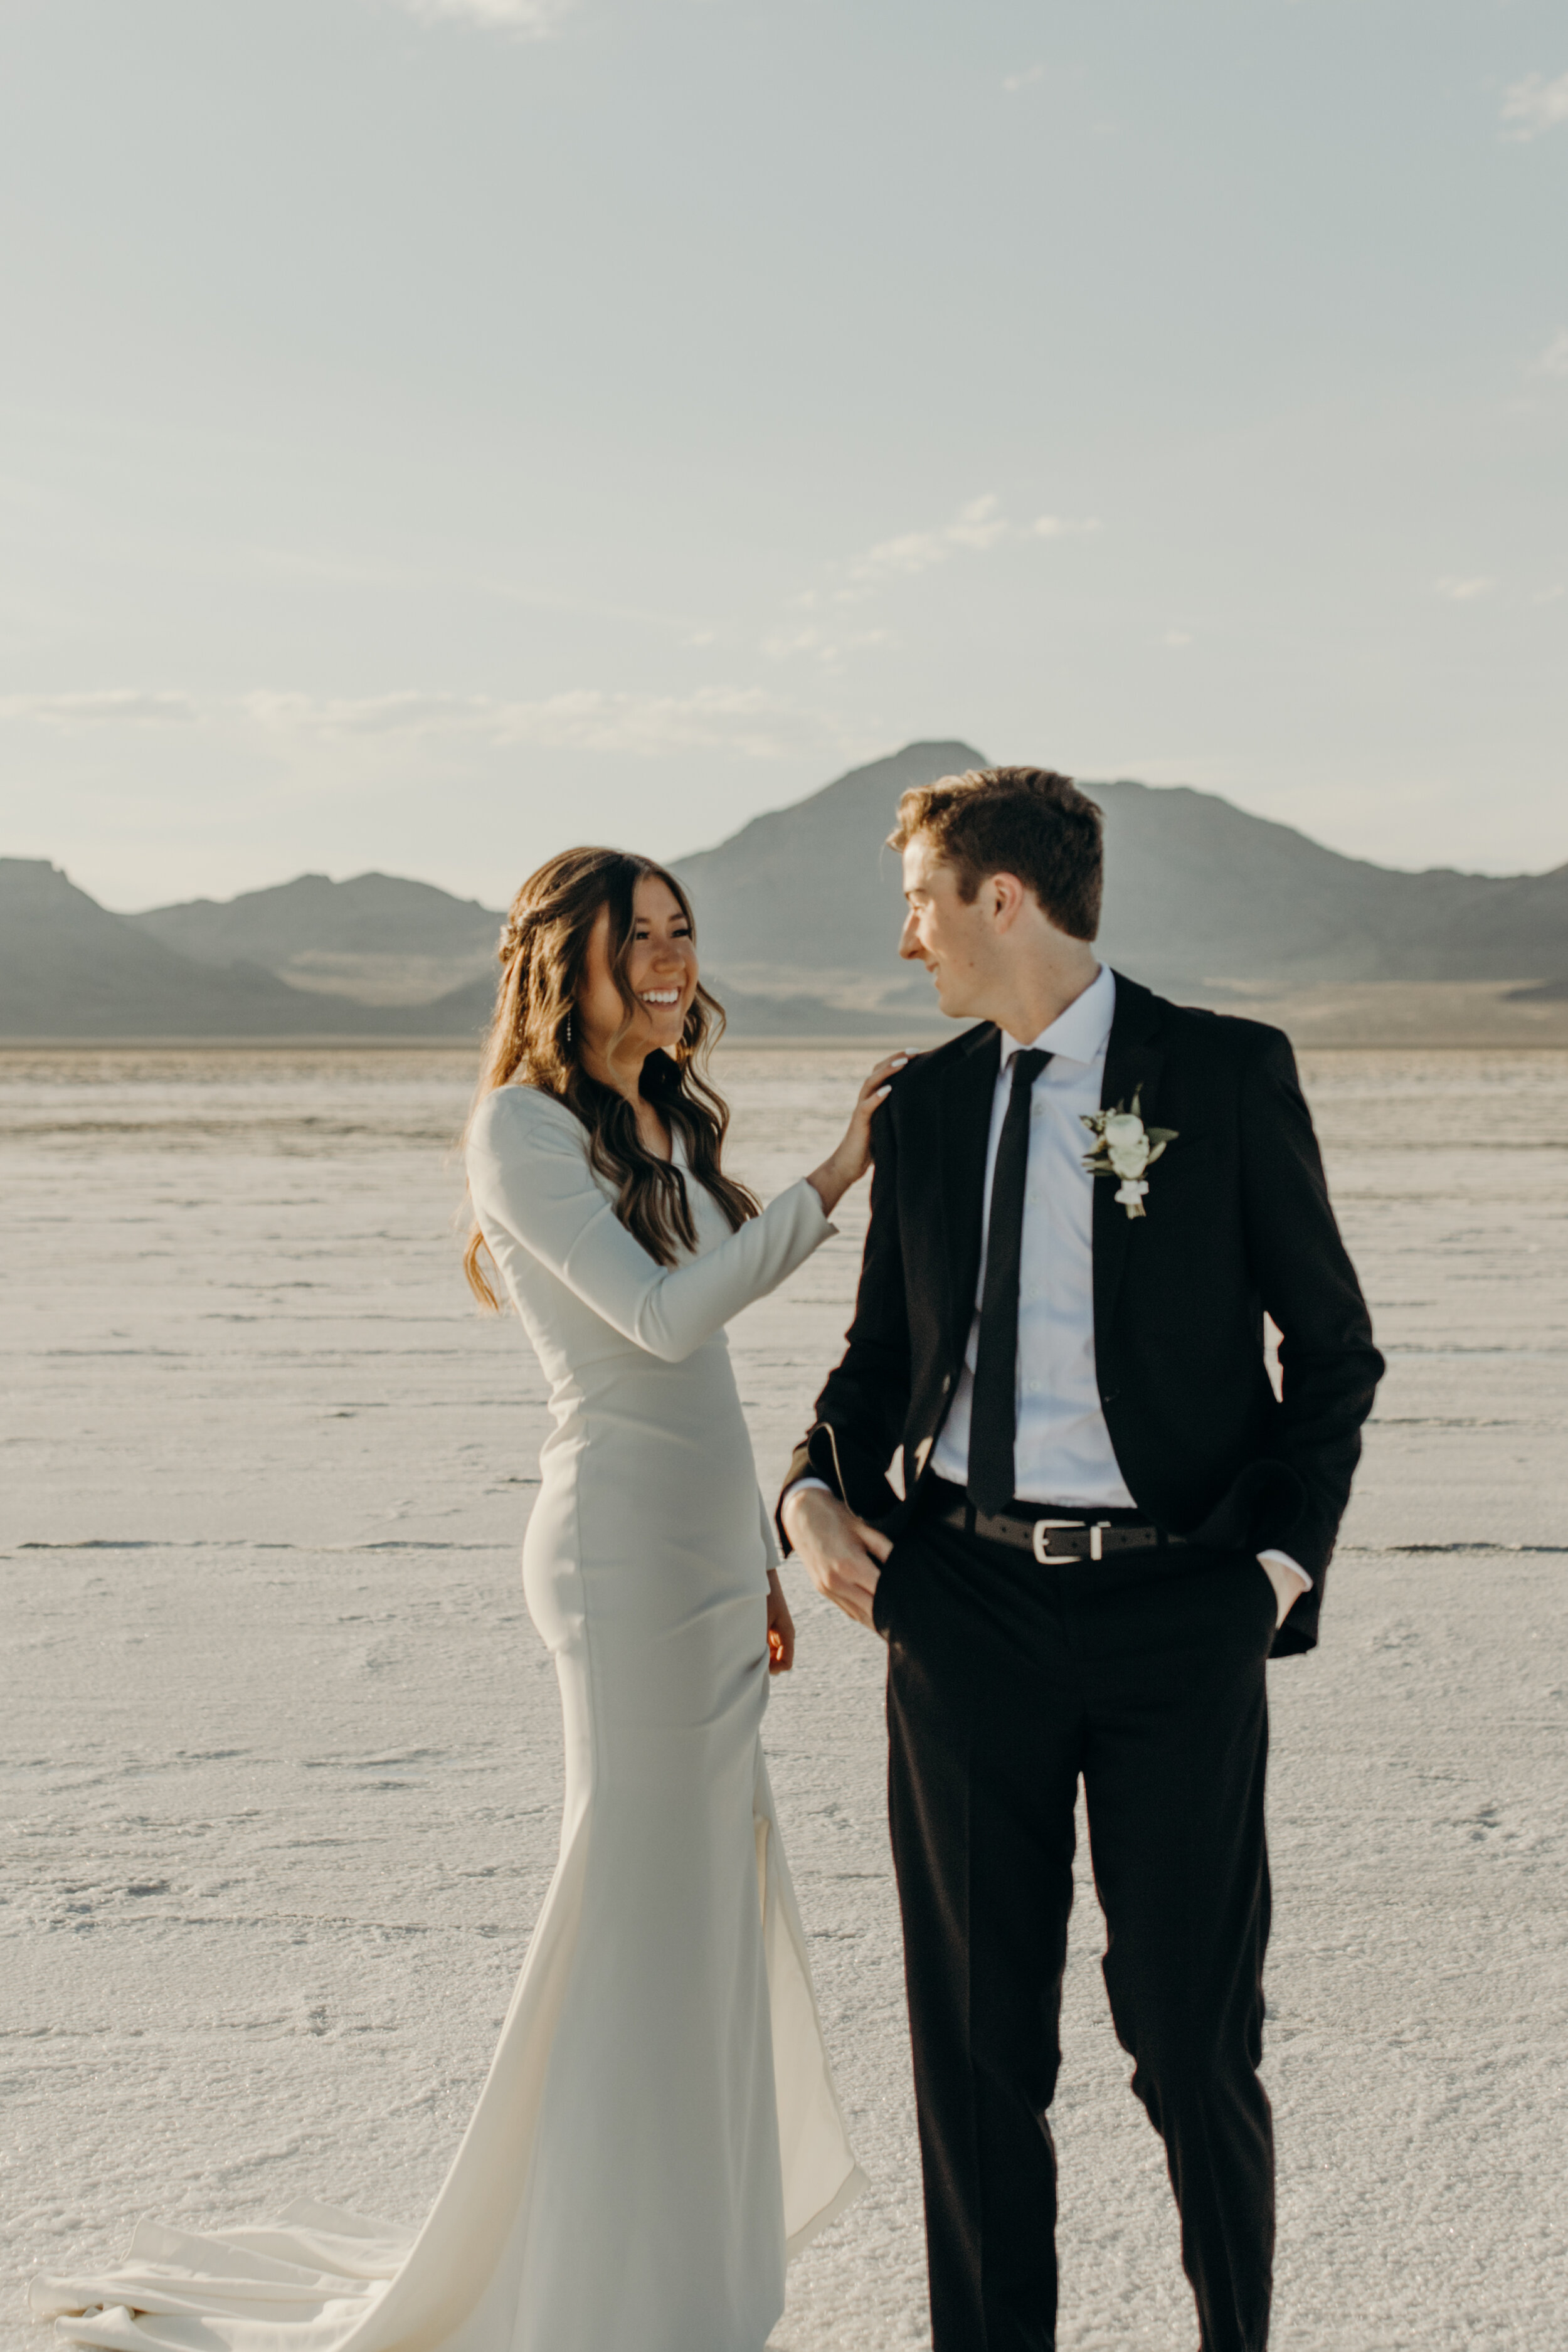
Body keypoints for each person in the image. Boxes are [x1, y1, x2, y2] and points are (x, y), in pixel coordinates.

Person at [33, 845, 881, 2352]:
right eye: (643, 938)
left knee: (701, 1913)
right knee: (626, 1906)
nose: (674, 959)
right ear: (570, 960)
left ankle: (673, 2258)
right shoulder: (518, 1130)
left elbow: (709, 1380)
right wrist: (832, 1176)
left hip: (697, 1554)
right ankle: (578, 2275)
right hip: (613, 1559)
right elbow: (662, 1317)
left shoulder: (658, 1114)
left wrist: (752, 1551)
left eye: (685, 933)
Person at [780, 767, 1384, 2352]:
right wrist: (806, 1496)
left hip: (1175, 1614)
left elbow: (1330, 1352)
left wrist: (1267, 1575)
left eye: (919, 898)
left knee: (1191, 2042)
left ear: (999, 898)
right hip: (961, 1611)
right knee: (976, 2060)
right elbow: (871, 1367)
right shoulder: (923, 1110)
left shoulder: (1223, 1072)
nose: (903, 936)